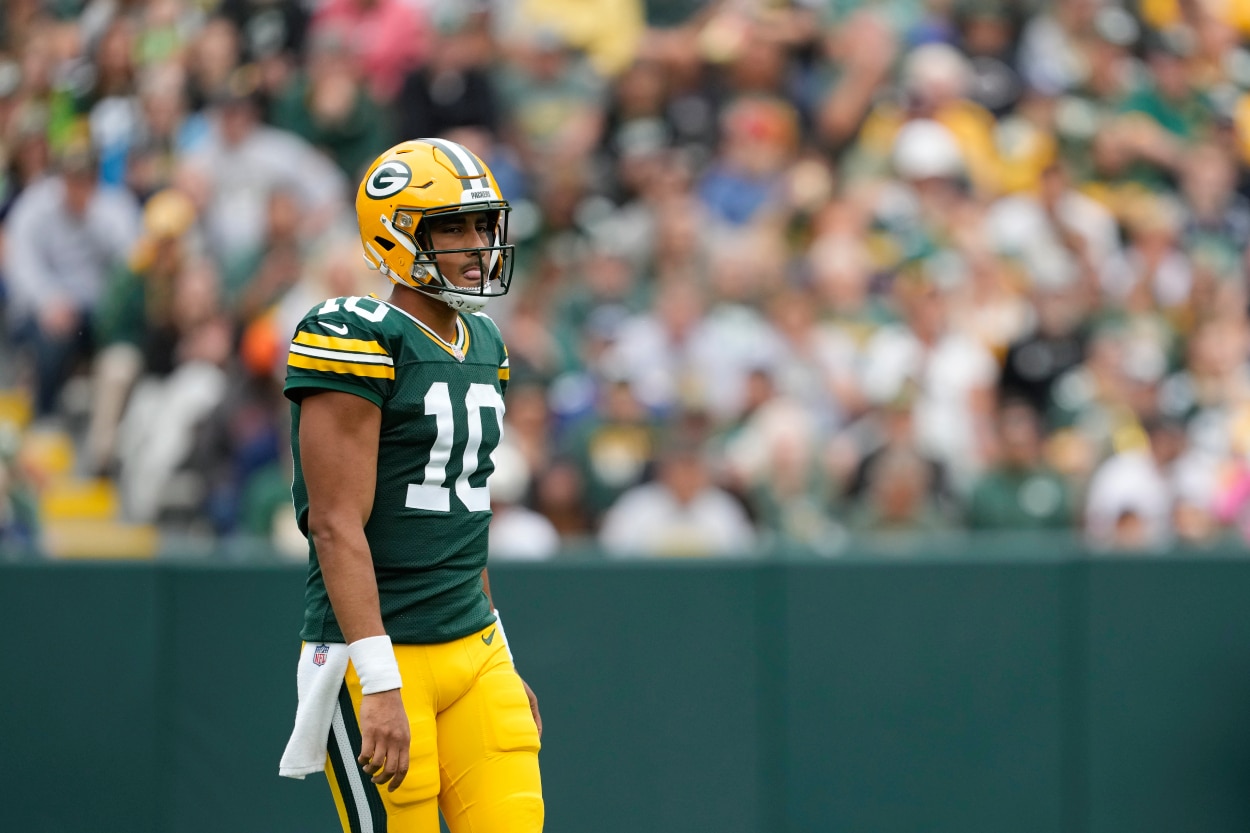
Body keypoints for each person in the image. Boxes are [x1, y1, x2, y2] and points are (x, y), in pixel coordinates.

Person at [278, 139, 543, 832]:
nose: (477, 244)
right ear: (395, 234)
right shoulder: (354, 333)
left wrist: (503, 654)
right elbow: (335, 523)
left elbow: (464, 519)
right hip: (380, 650)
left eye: (483, 224)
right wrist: (382, 681)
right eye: (452, 226)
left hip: (472, 643)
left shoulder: (485, 342)